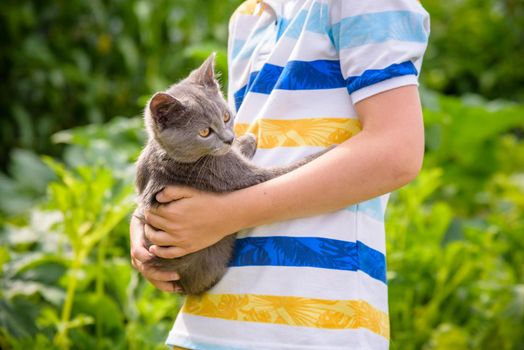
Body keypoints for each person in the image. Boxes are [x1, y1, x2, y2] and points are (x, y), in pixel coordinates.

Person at [130, 0, 430, 348]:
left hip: (317, 321)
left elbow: (397, 153)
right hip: (208, 323)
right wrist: (150, 217)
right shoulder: (251, 15)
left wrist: (224, 214)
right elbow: (221, 158)